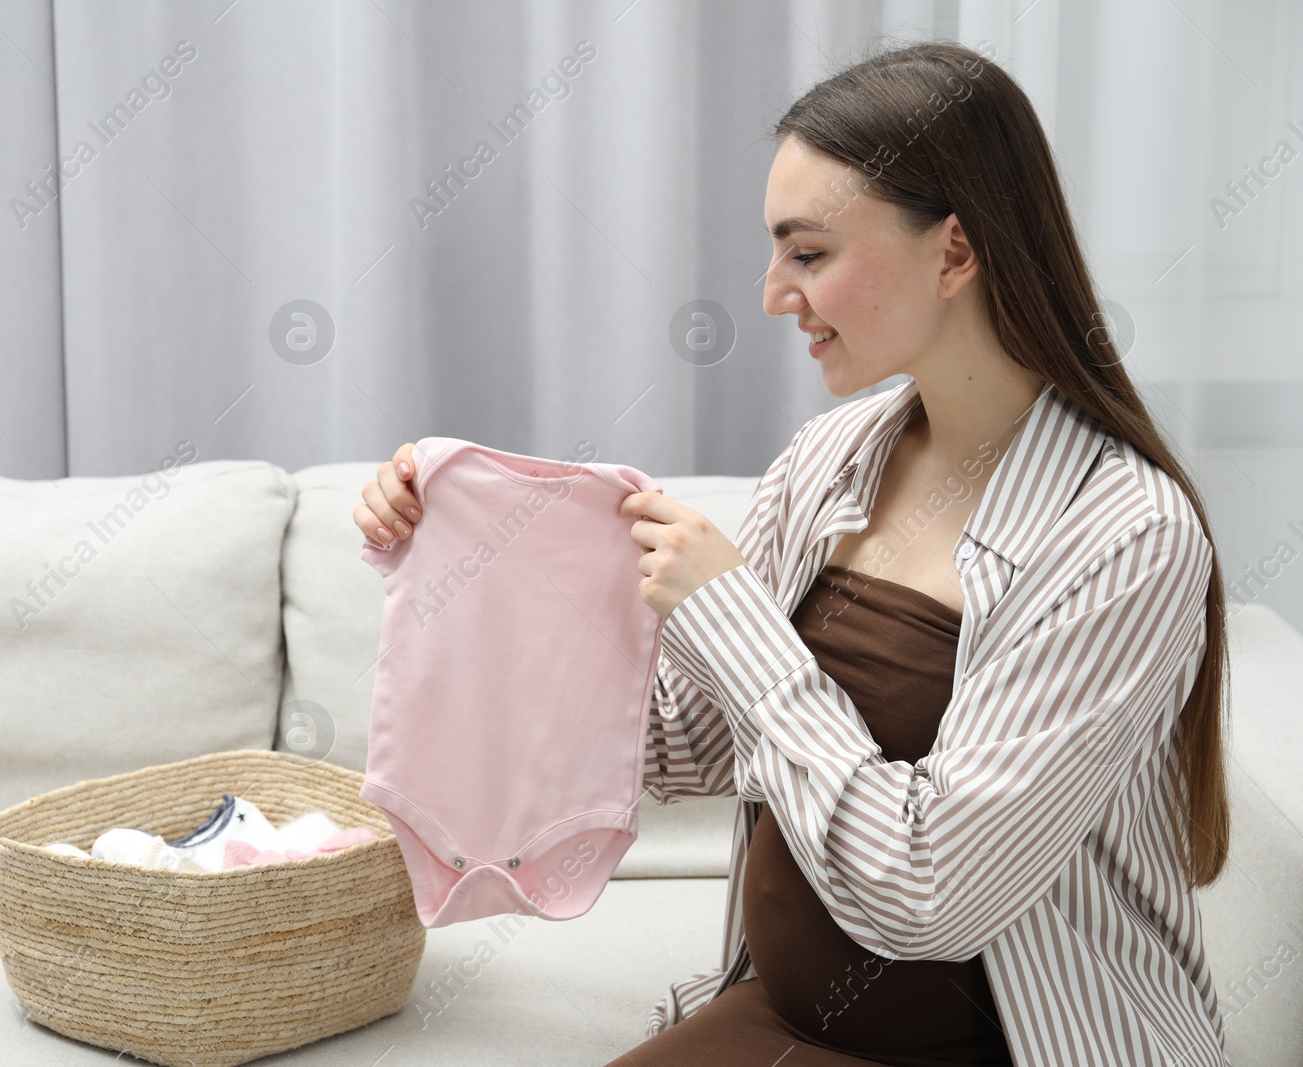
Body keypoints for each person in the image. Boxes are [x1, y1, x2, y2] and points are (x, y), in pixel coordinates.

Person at [354, 39, 1231, 1067]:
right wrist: (460, 566)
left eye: (808, 252)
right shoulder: (832, 459)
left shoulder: (1126, 536)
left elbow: (930, 892)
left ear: (953, 253)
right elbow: (689, 745)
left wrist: (733, 623)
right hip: (779, 1018)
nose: (773, 292)